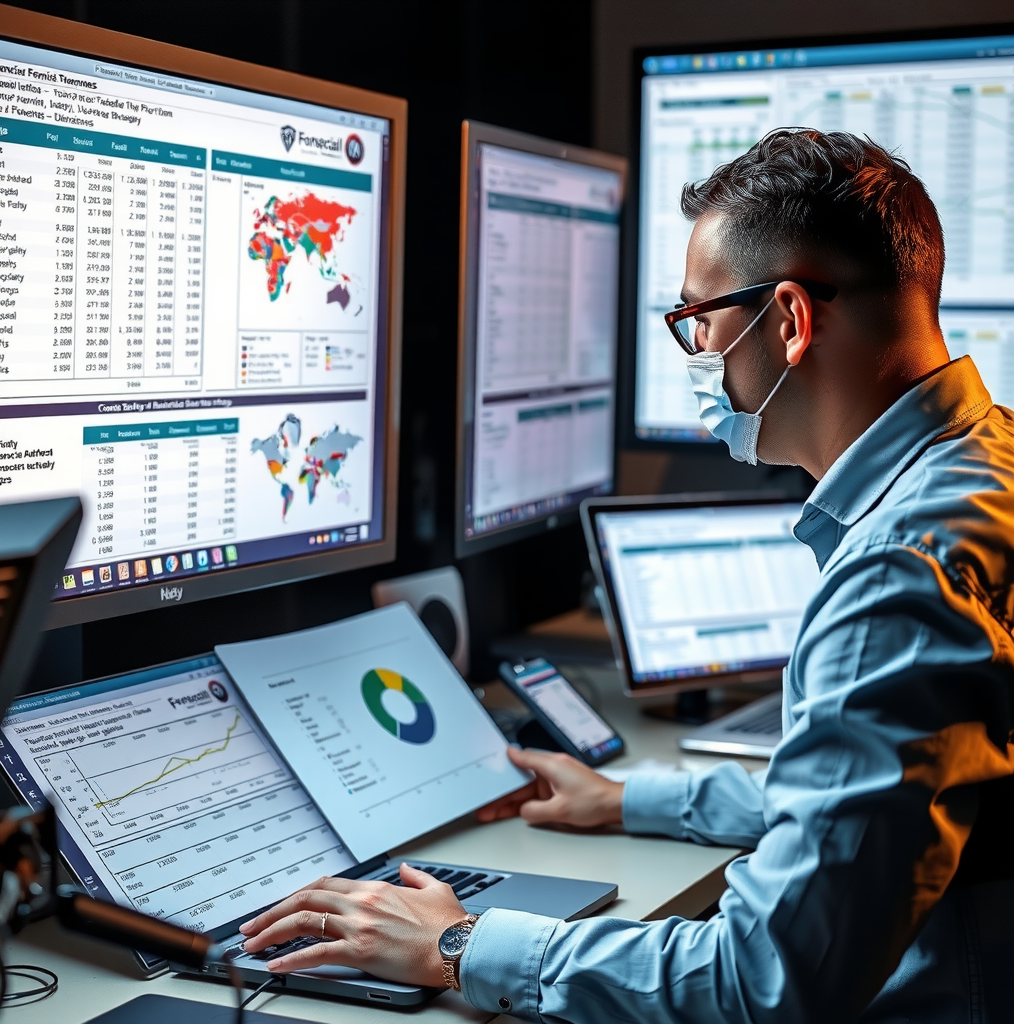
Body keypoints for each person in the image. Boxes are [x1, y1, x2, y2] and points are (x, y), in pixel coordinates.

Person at [237, 129, 1014, 1023]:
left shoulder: (897, 573)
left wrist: (458, 944)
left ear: (791, 320)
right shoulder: (983, 466)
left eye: (701, 321)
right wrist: (632, 797)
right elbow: (873, 802)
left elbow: (762, 980)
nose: (699, 356)